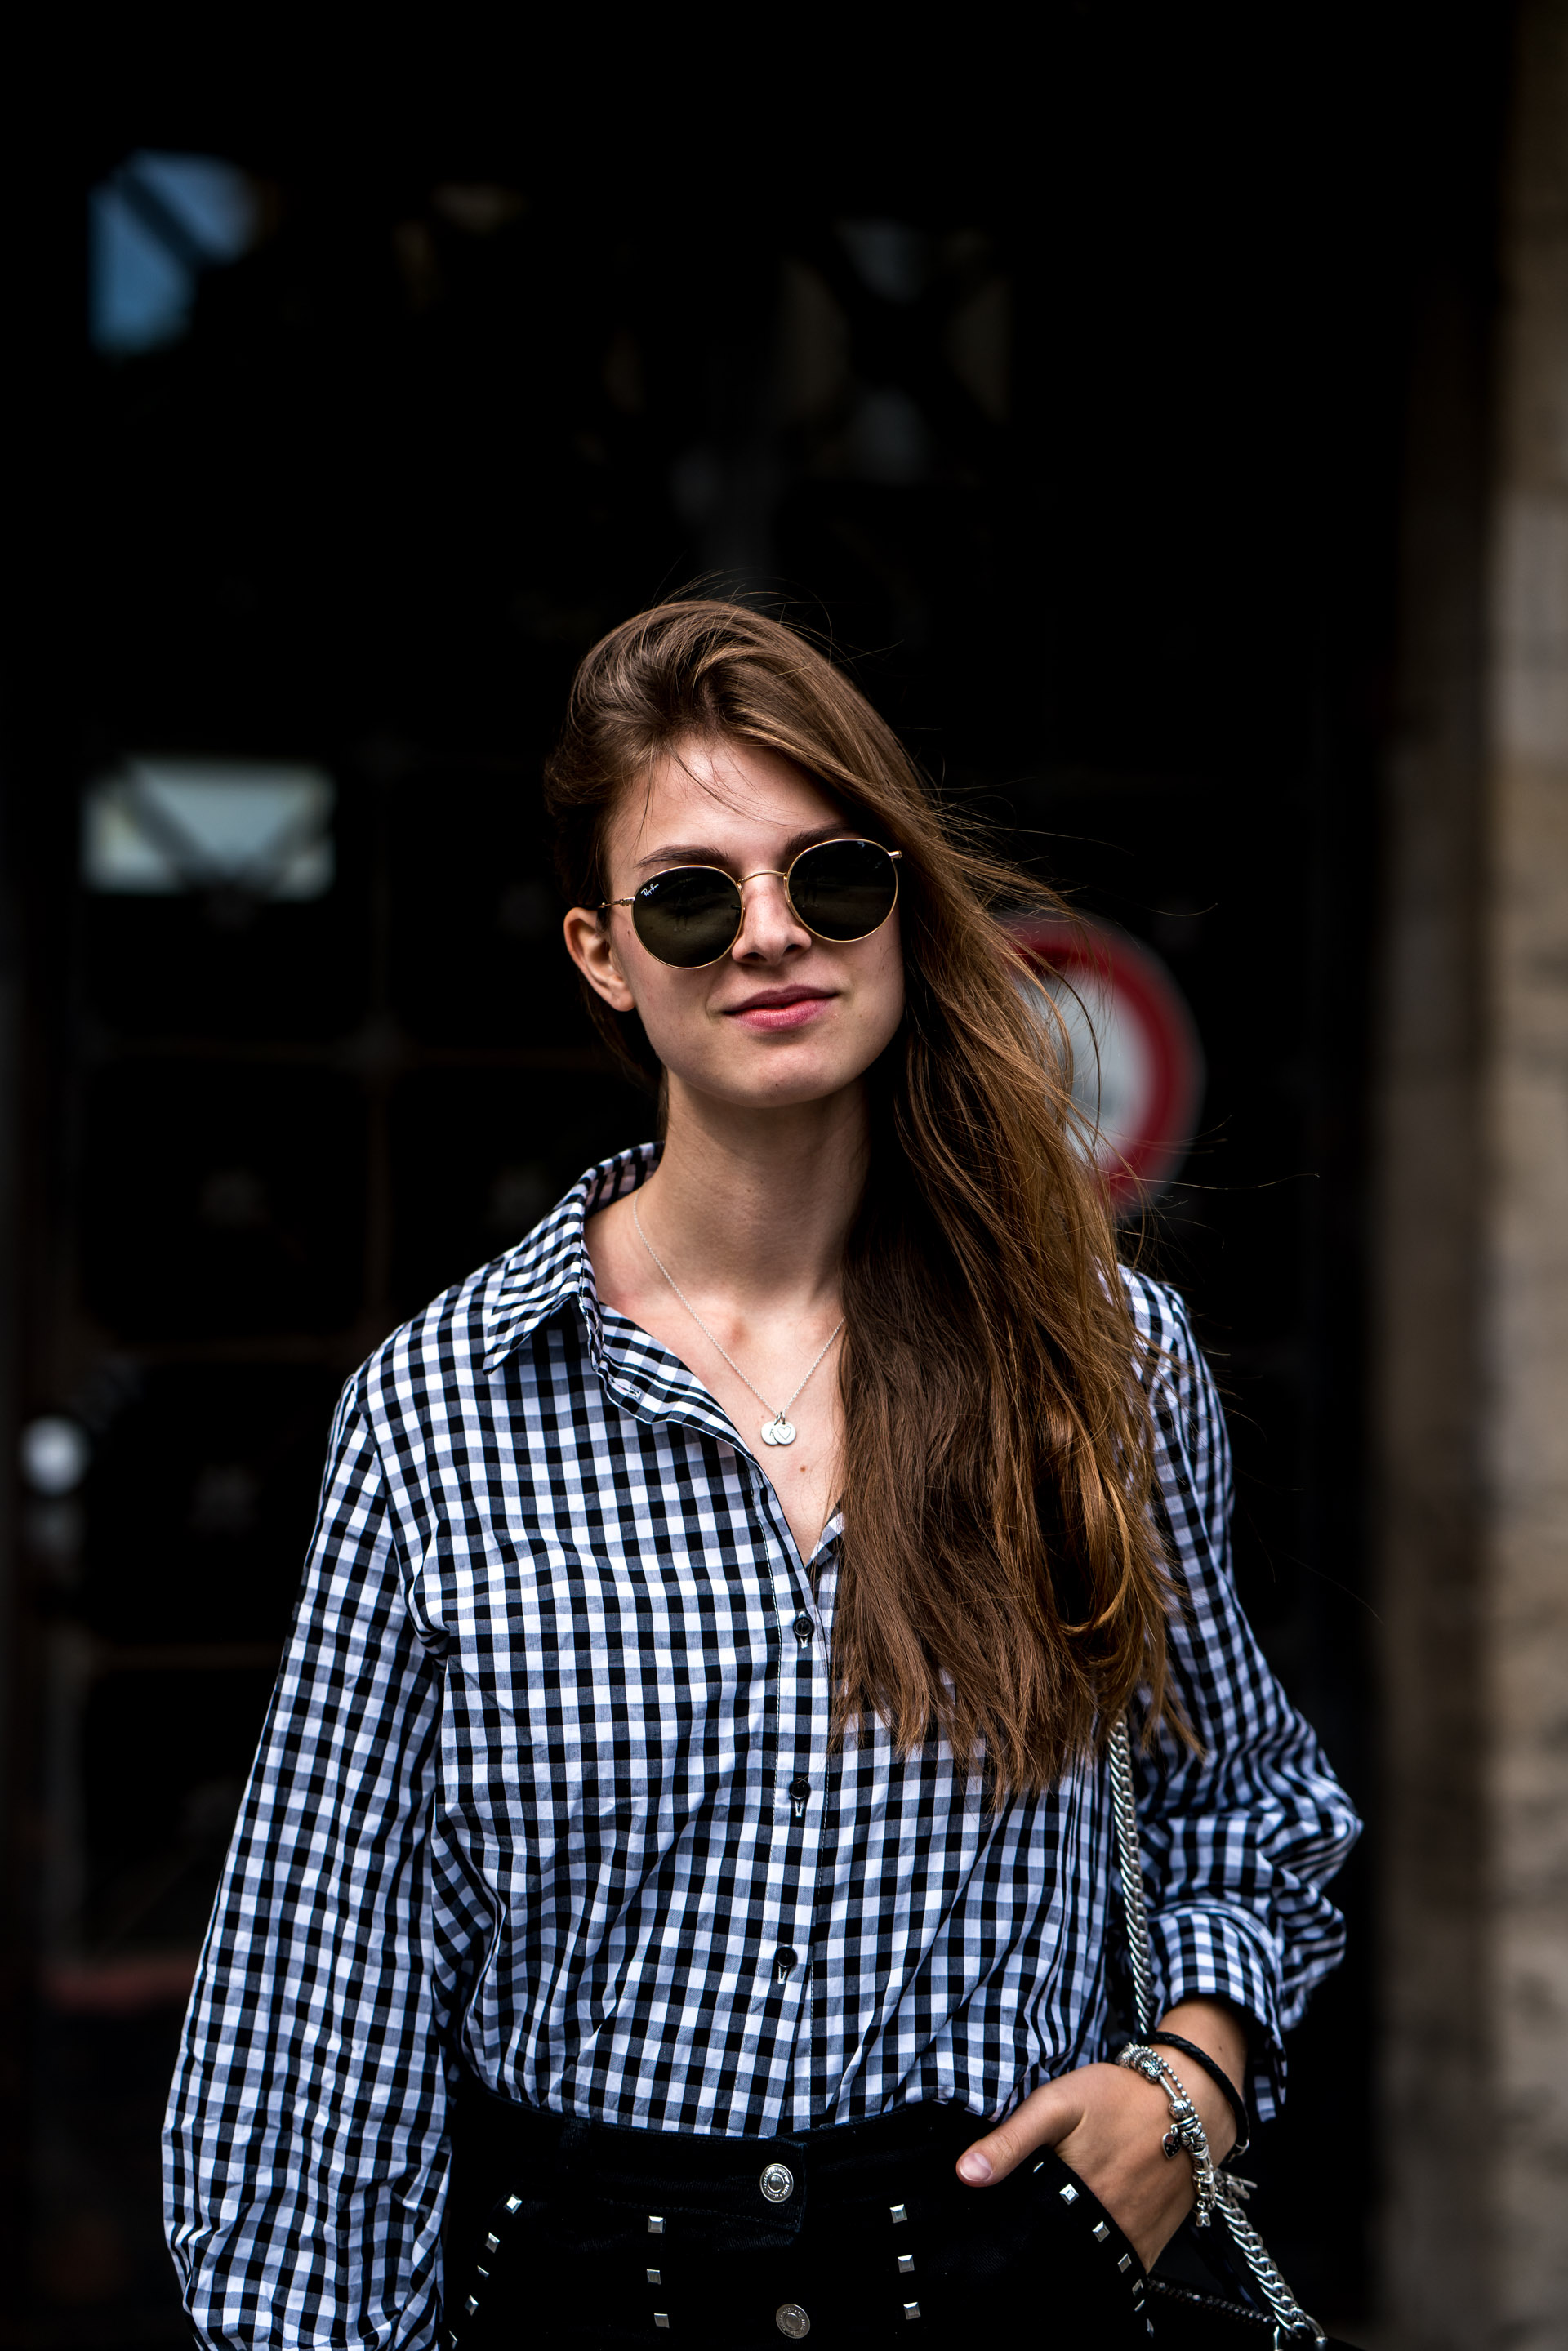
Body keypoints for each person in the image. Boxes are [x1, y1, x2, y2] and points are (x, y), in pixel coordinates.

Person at [164, 600, 1360, 2348]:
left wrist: (1186, 2087)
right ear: (600, 952)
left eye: (833, 877)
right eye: (693, 897)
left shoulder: (1099, 1366)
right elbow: (312, 2029)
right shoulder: (442, 1414)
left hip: (1000, 2295)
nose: (773, 938)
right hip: (583, 2299)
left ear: (898, 902)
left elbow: (1245, 1814)